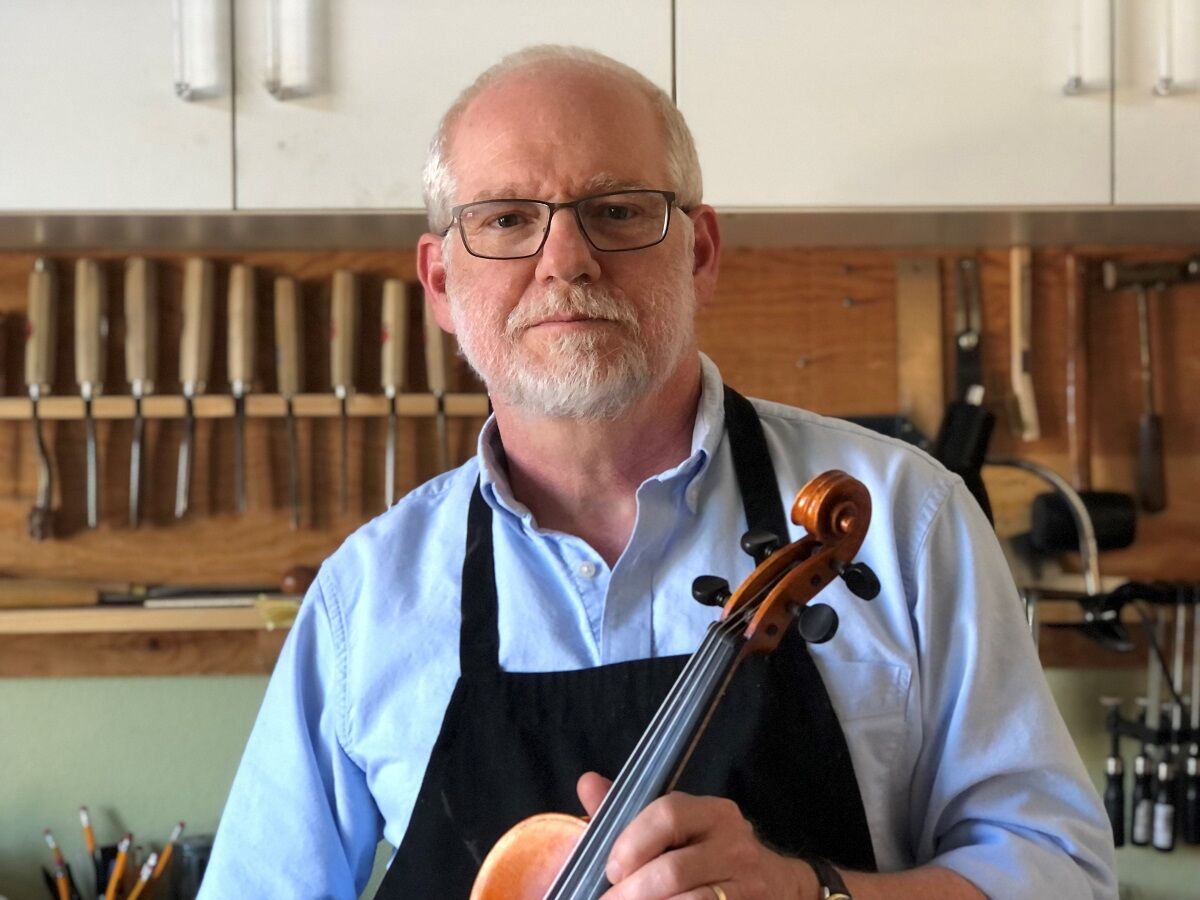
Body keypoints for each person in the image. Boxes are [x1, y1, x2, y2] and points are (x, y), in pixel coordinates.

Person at [200, 45, 1118, 899]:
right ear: (441, 284)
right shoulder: (367, 599)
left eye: (619, 211)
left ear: (701, 252)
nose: (566, 260)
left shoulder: (909, 519)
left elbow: (1062, 872)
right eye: (507, 219)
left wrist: (816, 893)